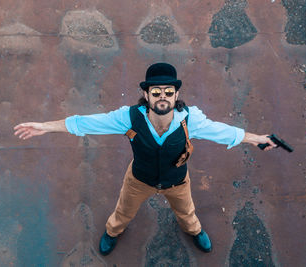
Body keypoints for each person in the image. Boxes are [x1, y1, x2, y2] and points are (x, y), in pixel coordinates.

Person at [14, 62, 276, 255]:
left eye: (168, 91)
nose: (163, 96)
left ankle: (194, 231)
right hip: (139, 179)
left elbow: (225, 132)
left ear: (176, 95)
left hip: (177, 181)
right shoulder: (128, 117)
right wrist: (45, 127)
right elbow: (86, 123)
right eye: (156, 91)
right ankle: (113, 232)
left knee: (186, 212)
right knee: (123, 211)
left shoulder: (191, 119)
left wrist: (256, 138)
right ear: (147, 94)